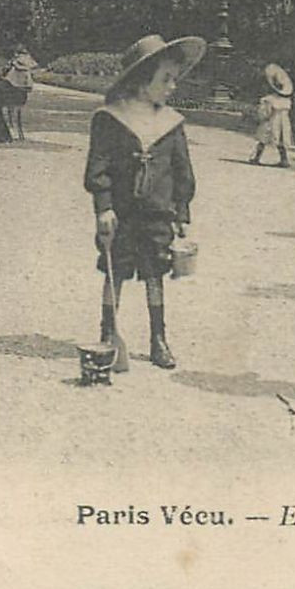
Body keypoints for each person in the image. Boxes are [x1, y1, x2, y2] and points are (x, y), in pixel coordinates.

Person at [84, 33, 205, 372]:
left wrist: (182, 211)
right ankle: (108, 332)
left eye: (174, 79)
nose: (172, 86)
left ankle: (158, 338)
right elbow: (98, 167)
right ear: (141, 82)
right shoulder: (110, 119)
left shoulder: (171, 124)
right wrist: (103, 207)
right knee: (115, 269)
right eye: (165, 79)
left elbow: (183, 171)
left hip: (157, 214)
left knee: (155, 271)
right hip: (121, 214)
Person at [250, 64, 295, 167]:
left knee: (262, 140)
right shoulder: (286, 100)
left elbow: (265, 113)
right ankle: (284, 160)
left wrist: (260, 117)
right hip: (283, 123)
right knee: (281, 141)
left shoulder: (268, 100)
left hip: (271, 122)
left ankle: (256, 158)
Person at [0, 45, 39, 140]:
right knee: (15, 108)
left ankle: (9, 128)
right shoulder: (28, 67)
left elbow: (3, 73)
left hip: (11, 92)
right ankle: (17, 131)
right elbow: (30, 85)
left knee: (2, 97)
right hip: (21, 95)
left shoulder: (14, 64)